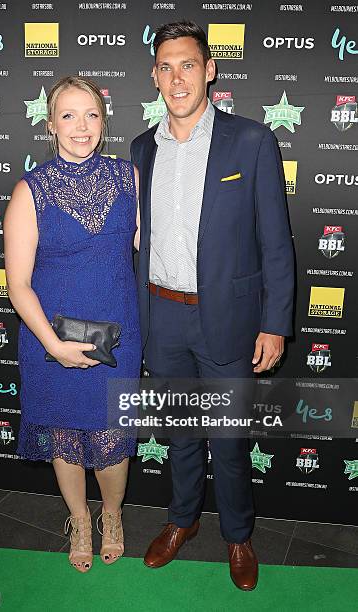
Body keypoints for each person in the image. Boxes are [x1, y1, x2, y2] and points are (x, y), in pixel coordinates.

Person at [131, 21, 294, 590]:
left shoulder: (251, 141)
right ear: (155, 75)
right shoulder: (140, 148)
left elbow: (276, 243)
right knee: (180, 432)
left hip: (227, 319)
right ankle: (181, 522)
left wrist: (275, 324)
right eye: (166, 66)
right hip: (163, 316)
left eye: (188, 65)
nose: (177, 77)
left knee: (226, 442)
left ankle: (238, 537)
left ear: (210, 70)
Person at [4, 76, 141, 573]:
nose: (81, 126)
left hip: (119, 333)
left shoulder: (130, 177)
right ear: (50, 124)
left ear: (103, 122)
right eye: (68, 115)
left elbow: (141, 251)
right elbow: (17, 283)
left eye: (91, 115)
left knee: (112, 439)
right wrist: (54, 344)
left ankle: (113, 516)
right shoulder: (30, 189)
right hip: (52, 337)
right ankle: (79, 520)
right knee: (65, 435)